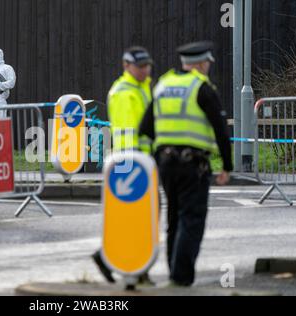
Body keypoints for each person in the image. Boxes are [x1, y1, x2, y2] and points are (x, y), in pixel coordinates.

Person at [139, 41, 233, 286]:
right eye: (208, 62)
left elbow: (145, 128)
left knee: (174, 219)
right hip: (193, 164)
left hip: (166, 164)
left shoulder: (163, 85)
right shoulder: (201, 87)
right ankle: (180, 278)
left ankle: (173, 272)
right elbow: (221, 130)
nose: (209, 66)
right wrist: (227, 166)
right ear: (201, 64)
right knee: (191, 219)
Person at [92, 46, 154, 285]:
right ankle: (124, 264)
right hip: (131, 161)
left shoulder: (141, 88)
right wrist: (136, 161)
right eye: (140, 66)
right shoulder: (125, 92)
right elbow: (130, 131)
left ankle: (130, 265)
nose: (145, 70)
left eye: (147, 65)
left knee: (140, 218)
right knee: (139, 217)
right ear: (127, 66)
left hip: (140, 161)